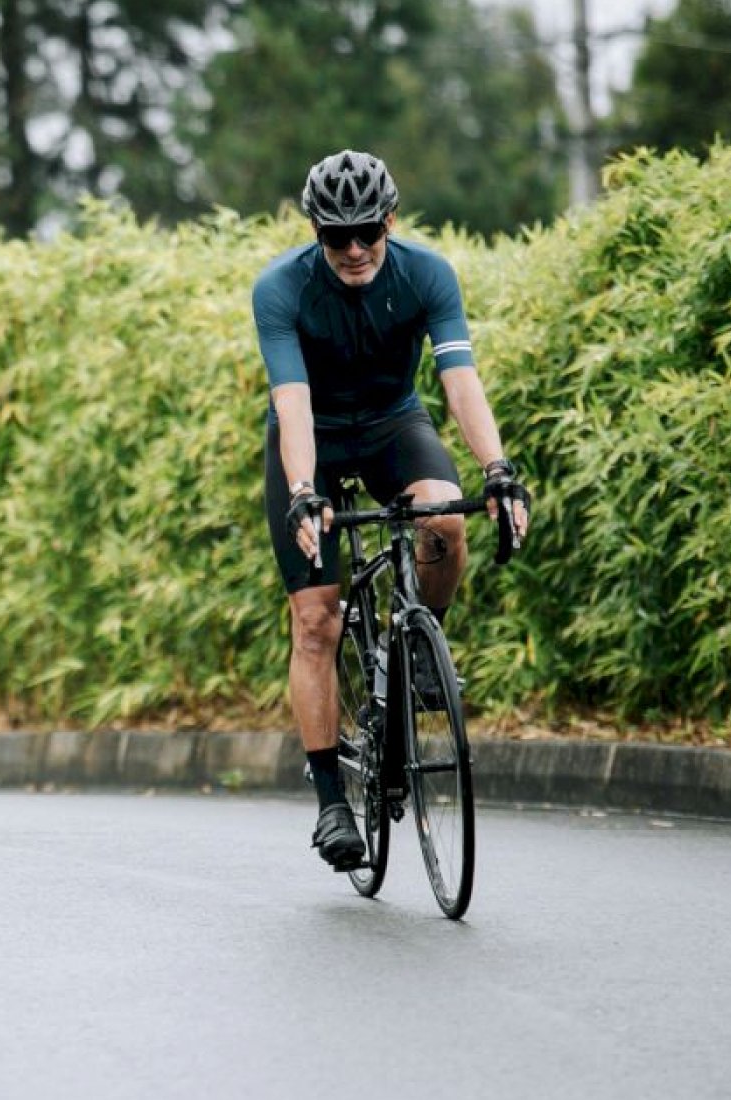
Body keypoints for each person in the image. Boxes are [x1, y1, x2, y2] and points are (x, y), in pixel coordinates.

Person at [251, 151, 532, 871]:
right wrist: (306, 491)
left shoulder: (426, 273)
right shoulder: (280, 289)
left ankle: (418, 642)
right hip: (311, 438)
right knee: (317, 619)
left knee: (443, 520)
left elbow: (460, 380)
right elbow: (292, 402)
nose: (352, 250)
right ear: (314, 231)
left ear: (390, 223)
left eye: (367, 232)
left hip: (390, 427)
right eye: (335, 236)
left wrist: (497, 470)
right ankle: (331, 803)